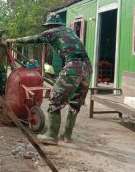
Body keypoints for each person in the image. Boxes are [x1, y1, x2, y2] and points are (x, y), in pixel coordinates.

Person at [6, 13, 92, 145]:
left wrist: (13, 41)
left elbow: (34, 39)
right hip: (87, 67)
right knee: (75, 103)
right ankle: (67, 135)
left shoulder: (52, 32)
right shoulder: (69, 31)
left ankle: (52, 136)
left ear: (50, 25)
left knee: (54, 99)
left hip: (73, 67)